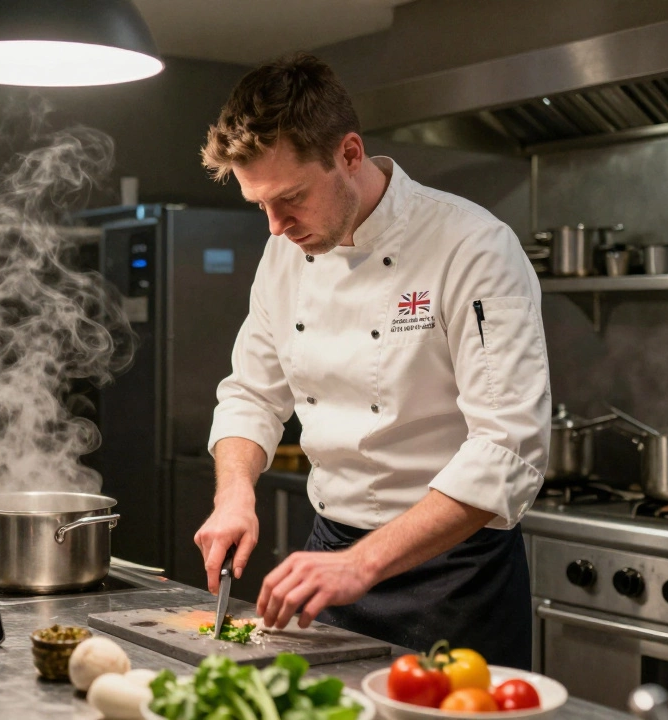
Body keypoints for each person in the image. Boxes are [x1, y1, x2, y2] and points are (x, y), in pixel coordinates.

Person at [192, 53, 550, 669]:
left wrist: (364, 562)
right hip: (330, 561)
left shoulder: (473, 246)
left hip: (455, 576)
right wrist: (234, 495)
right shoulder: (285, 251)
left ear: (350, 155)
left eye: (292, 198)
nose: (276, 228)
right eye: (261, 206)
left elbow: (508, 446)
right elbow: (252, 392)